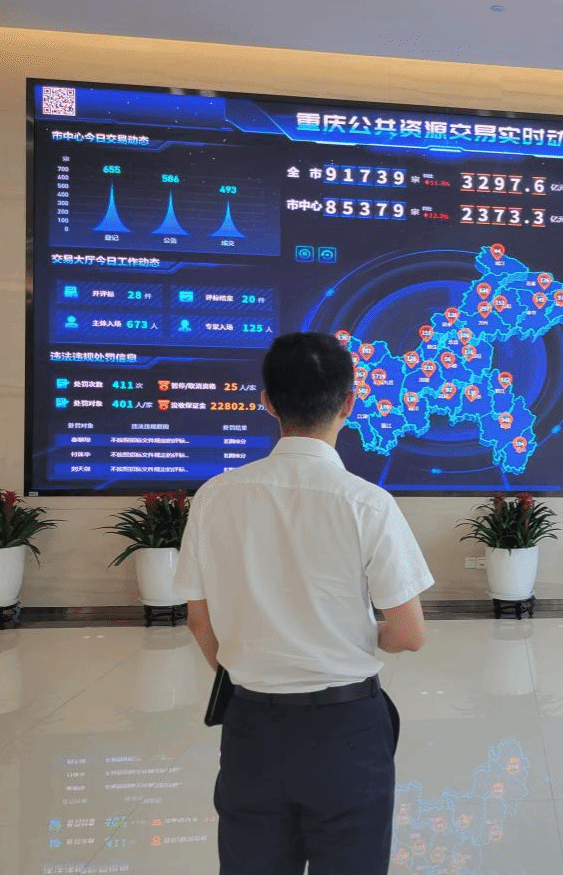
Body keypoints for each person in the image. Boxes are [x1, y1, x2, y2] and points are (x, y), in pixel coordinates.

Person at [176, 331, 434, 875]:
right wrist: (357, 634)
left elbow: (200, 620)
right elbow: (410, 634)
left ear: (268, 402)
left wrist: (256, 664)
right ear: (349, 402)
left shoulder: (214, 496)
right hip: (347, 729)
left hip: (251, 726)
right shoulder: (369, 504)